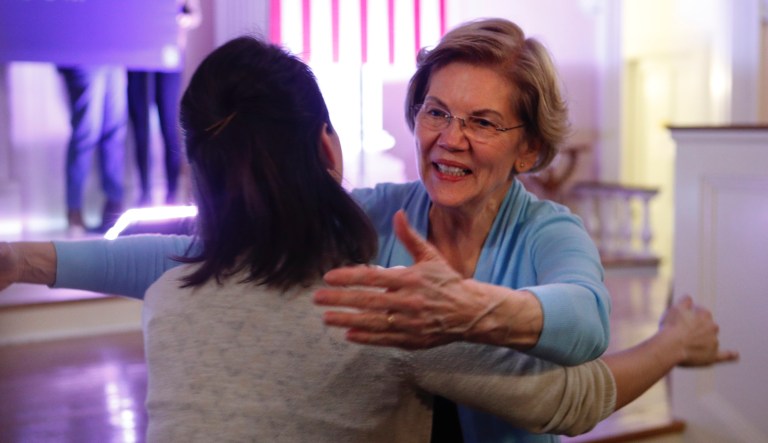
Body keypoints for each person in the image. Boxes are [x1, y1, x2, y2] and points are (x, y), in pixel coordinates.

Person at [0, 35, 737, 443]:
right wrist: (28, 258)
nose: (449, 140)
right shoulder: (370, 216)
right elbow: (207, 245)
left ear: (529, 149)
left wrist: (473, 308)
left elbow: (583, 322)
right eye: (436, 112)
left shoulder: (551, 231)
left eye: (481, 122)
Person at [127, 0, 202, 206]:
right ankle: (144, 192)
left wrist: (181, 19)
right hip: (136, 56)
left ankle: (172, 193)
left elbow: (195, 15)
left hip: (169, 55)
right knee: (140, 125)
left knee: (169, 123)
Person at [58, 65, 127, 235]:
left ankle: (114, 207)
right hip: (85, 57)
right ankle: (74, 211)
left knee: (115, 131)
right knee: (86, 132)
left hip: (116, 57)